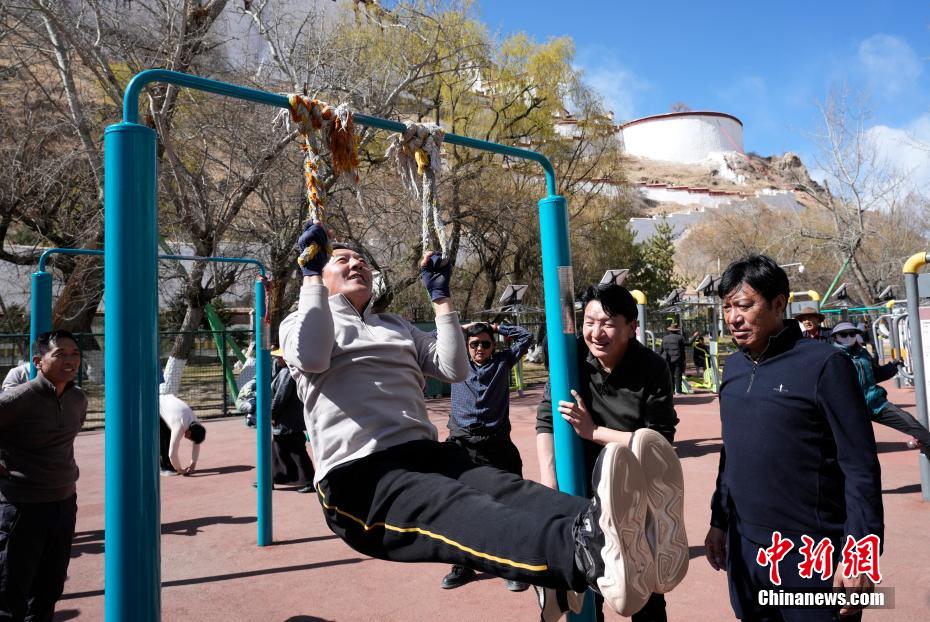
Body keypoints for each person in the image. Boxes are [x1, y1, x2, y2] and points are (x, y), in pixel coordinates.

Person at [279, 223, 664, 619]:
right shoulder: (300, 322)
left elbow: (454, 368)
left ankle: (606, 525)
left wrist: (442, 300)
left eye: (361, 260)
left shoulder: (395, 325)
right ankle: (584, 554)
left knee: (507, 488)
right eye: (342, 259)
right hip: (361, 475)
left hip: (424, 452)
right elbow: (312, 357)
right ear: (320, 270)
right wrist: (311, 278)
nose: (356, 264)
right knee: (458, 506)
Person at [704, 255, 883, 622]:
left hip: (810, 555)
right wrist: (719, 521)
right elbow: (731, 455)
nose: (733, 318)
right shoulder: (733, 367)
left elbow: (860, 466)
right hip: (747, 552)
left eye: (744, 305)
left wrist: (860, 556)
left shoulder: (825, 365)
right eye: (727, 307)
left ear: (778, 304)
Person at [537, 283, 687, 622]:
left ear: (631, 327)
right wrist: (550, 480)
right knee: (589, 586)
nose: (596, 332)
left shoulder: (651, 367)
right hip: (582, 485)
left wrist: (594, 432)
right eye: (589, 322)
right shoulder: (571, 357)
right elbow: (547, 419)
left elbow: (658, 442)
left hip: (633, 490)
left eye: (607, 323)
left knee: (644, 589)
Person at [440, 321, 534, 592]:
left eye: (485, 343)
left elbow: (526, 337)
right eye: (474, 344)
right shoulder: (457, 363)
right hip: (463, 444)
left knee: (509, 503)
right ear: (466, 346)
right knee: (459, 507)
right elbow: (433, 336)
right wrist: (462, 327)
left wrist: (496, 326)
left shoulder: (503, 362)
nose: (479, 348)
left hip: (497, 444)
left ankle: (512, 565)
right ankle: (463, 564)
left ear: (493, 346)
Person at [0, 330, 86, 621]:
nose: (70, 360)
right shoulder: (18, 399)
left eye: (75, 354)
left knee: (48, 589)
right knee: (10, 592)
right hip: (22, 507)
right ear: (38, 362)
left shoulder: (78, 399)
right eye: (60, 354)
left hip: (63, 504)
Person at [831, 322, 930, 457]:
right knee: (860, 451)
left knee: (919, 431)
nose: (848, 337)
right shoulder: (832, 356)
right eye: (843, 334)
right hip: (851, 410)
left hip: (876, 403)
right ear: (835, 336)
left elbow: (875, 375)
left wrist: (892, 367)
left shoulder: (863, 352)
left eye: (852, 334)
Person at [270, 348, 315, 492]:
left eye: (280, 357)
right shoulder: (290, 371)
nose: (277, 359)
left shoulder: (287, 372)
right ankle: (274, 477)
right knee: (279, 449)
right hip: (288, 418)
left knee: (295, 450)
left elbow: (281, 397)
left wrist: (272, 413)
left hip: (287, 419)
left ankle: (309, 479)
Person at [158, 393, 206, 476]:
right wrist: (179, 469)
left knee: (168, 433)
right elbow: (172, 454)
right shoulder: (179, 426)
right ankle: (165, 467)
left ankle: (169, 465)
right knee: (165, 436)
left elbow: (196, 444)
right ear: (189, 433)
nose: (190, 440)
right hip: (157, 405)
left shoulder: (195, 423)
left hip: (168, 404)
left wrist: (193, 465)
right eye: (191, 439)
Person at [659, 324, 687, 394]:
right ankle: (678, 391)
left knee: (670, 375)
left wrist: (659, 357)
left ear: (670, 330)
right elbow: (688, 343)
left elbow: (661, 349)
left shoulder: (665, 338)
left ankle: (672, 391)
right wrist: (694, 336)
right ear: (677, 330)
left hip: (667, 359)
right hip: (678, 359)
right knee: (678, 375)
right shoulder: (680, 337)